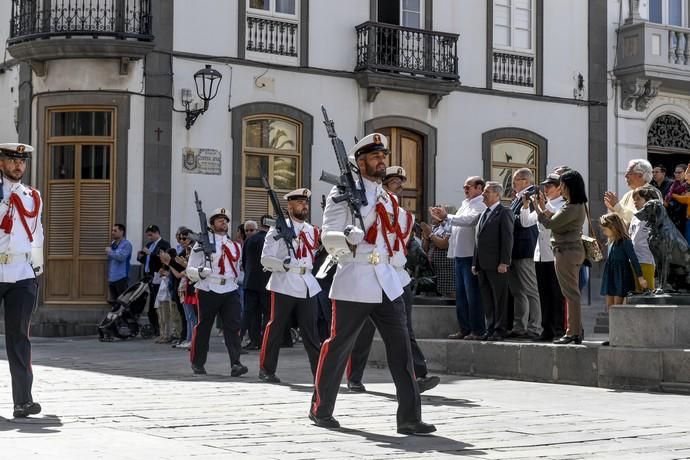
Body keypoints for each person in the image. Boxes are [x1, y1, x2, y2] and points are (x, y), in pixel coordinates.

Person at [310, 133, 435, 435]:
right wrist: (347, 238)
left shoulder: (388, 199)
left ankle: (409, 418)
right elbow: (328, 236)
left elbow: (395, 236)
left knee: (401, 349)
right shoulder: (342, 195)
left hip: (387, 282)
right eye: (376, 157)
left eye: (384, 156)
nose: (382, 161)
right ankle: (320, 408)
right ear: (360, 162)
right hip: (355, 279)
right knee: (339, 346)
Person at [345, 166, 440, 395]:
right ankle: (354, 378)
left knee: (405, 329)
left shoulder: (404, 215)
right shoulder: (370, 208)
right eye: (395, 181)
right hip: (373, 273)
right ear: (383, 185)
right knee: (363, 331)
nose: (400, 185)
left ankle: (418, 375)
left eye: (401, 181)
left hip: (398, 277)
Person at [259, 188, 322, 383]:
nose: (304, 206)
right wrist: (283, 263)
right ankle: (267, 370)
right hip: (284, 282)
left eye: (306, 203)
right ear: (290, 206)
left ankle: (319, 374)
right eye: (300, 202)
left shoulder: (311, 230)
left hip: (307, 283)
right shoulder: (278, 228)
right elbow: (265, 259)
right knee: (276, 328)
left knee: (311, 332)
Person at [0, 143, 44, 418]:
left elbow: (36, 234)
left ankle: (23, 401)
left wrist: (36, 269)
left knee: (19, 338)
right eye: (12, 160)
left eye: (22, 161)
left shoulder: (33, 196)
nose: (19, 166)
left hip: (21, 273)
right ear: (1, 162)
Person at [186, 208, 247, 377]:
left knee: (233, 327)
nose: (224, 222)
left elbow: (236, 267)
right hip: (208, 288)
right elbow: (190, 268)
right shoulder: (201, 242)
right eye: (219, 220)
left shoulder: (235, 246)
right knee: (204, 327)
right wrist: (200, 272)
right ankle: (198, 363)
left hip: (230, 288)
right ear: (212, 224)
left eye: (225, 220)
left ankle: (236, 363)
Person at [533, 170, 587, 345]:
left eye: (562, 184)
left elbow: (550, 223)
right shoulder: (574, 205)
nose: (560, 187)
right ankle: (573, 331)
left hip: (567, 252)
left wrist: (538, 208)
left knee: (570, 294)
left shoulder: (572, 207)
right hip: (567, 251)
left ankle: (573, 332)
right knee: (570, 293)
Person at [430, 177, 486, 340]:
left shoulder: (481, 204)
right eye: (464, 187)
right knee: (461, 295)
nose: (465, 189)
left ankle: (477, 330)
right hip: (459, 255)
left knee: (473, 295)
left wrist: (448, 216)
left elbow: (469, 221)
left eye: (468, 187)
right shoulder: (465, 204)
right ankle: (464, 328)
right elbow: (453, 224)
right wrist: (442, 219)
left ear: (479, 188)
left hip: (470, 255)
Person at [520, 173, 566, 342]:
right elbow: (526, 222)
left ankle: (559, 329)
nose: (546, 190)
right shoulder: (546, 204)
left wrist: (539, 206)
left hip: (555, 255)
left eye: (549, 186)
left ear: (559, 188)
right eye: (545, 186)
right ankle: (547, 329)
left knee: (556, 294)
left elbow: (549, 220)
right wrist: (526, 206)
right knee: (544, 294)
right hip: (540, 255)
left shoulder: (562, 205)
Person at [472, 181, 514, 341]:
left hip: (497, 265)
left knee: (500, 298)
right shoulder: (484, 213)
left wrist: (504, 261)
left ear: (497, 195)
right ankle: (490, 328)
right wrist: (475, 262)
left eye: (487, 192)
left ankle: (500, 329)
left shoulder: (504, 212)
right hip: (483, 265)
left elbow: (507, 239)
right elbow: (478, 240)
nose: (483, 194)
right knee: (487, 299)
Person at [508, 168, 542, 339]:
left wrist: (505, 217)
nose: (514, 182)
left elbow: (524, 222)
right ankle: (519, 326)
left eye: (517, 179)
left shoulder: (532, 195)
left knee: (530, 290)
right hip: (514, 250)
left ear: (527, 181)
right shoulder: (517, 198)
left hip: (525, 248)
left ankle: (535, 327)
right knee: (517, 291)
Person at [599, 213, 647, 309]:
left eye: (605, 230)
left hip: (620, 277)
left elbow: (634, 259)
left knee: (617, 307)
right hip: (610, 276)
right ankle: (611, 324)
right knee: (609, 307)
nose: (604, 233)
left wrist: (640, 278)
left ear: (613, 228)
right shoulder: (611, 242)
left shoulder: (626, 242)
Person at [242, 217, 271, 349]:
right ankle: (266, 340)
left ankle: (255, 341)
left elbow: (244, 261)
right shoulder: (271, 240)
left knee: (253, 314)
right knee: (268, 313)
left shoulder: (250, 240)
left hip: (251, 282)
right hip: (267, 283)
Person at [136, 224, 171, 337]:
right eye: (148, 236)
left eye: (151, 235)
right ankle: (154, 326)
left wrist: (151, 253)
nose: (150, 238)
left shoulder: (164, 244)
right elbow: (146, 261)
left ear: (157, 233)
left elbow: (164, 259)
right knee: (150, 303)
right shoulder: (149, 244)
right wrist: (140, 256)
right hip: (148, 276)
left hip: (158, 276)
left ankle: (159, 328)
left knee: (156, 303)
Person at [604, 159, 658, 227]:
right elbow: (621, 218)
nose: (625, 176)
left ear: (640, 175)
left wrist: (617, 206)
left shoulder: (653, 193)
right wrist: (613, 208)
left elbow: (642, 221)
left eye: (629, 173)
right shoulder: (628, 195)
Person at [420, 207, 454, 298]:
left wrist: (431, 234)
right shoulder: (433, 228)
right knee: (432, 294)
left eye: (437, 214)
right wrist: (426, 238)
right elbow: (425, 249)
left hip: (446, 269)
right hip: (432, 268)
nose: (433, 217)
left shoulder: (450, 227)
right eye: (432, 214)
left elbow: (444, 244)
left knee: (449, 295)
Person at [630, 187, 658, 291]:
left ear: (647, 201)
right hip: (633, 260)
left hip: (646, 259)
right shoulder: (634, 217)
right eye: (634, 199)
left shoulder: (653, 217)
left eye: (638, 199)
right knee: (636, 292)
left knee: (648, 292)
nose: (635, 201)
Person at [105, 223, 132, 305]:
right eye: (112, 230)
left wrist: (110, 251)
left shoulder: (126, 244)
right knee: (114, 302)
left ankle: (125, 317)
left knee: (122, 302)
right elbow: (111, 258)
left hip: (121, 277)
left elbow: (121, 258)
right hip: (112, 277)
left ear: (121, 232)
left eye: (115, 230)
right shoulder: (113, 243)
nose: (112, 232)